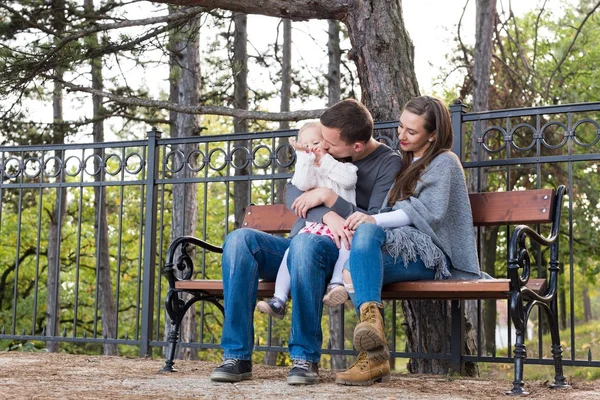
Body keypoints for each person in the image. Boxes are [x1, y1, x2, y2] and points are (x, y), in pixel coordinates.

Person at [209, 99, 401, 385]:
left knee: (304, 246)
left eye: (328, 142)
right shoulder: (328, 146)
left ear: (355, 147)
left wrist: (330, 200)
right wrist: (327, 217)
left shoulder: (387, 162)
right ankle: (236, 355)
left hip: (339, 251)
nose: (320, 145)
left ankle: (304, 357)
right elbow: (292, 194)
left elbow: (373, 218)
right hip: (301, 244)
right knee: (239, 241)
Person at [334, 95, 481, 386]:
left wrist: (375, 219)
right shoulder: (402, 162)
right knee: (356, 260)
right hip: (400, 247)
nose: (402, 135)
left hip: (432, 254)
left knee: (355, 263)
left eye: (411, 132)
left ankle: (373, 357)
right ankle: (373, 345)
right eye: (401, 127)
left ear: (433, 135)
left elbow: (425, 213)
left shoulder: (445, 162)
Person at [256, 121, 358, 319]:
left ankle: (337, 285)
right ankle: (278, 299)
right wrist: (304, 158)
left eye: (316, 142)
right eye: (306, 144)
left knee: (347, 246)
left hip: (342, 228)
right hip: (314, 232)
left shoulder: (344, 167)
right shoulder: (311, 171)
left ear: (327, 143)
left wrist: (325, 160)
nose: (312, 147)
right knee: (290, 254)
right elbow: (301, 184)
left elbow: (348, 181)